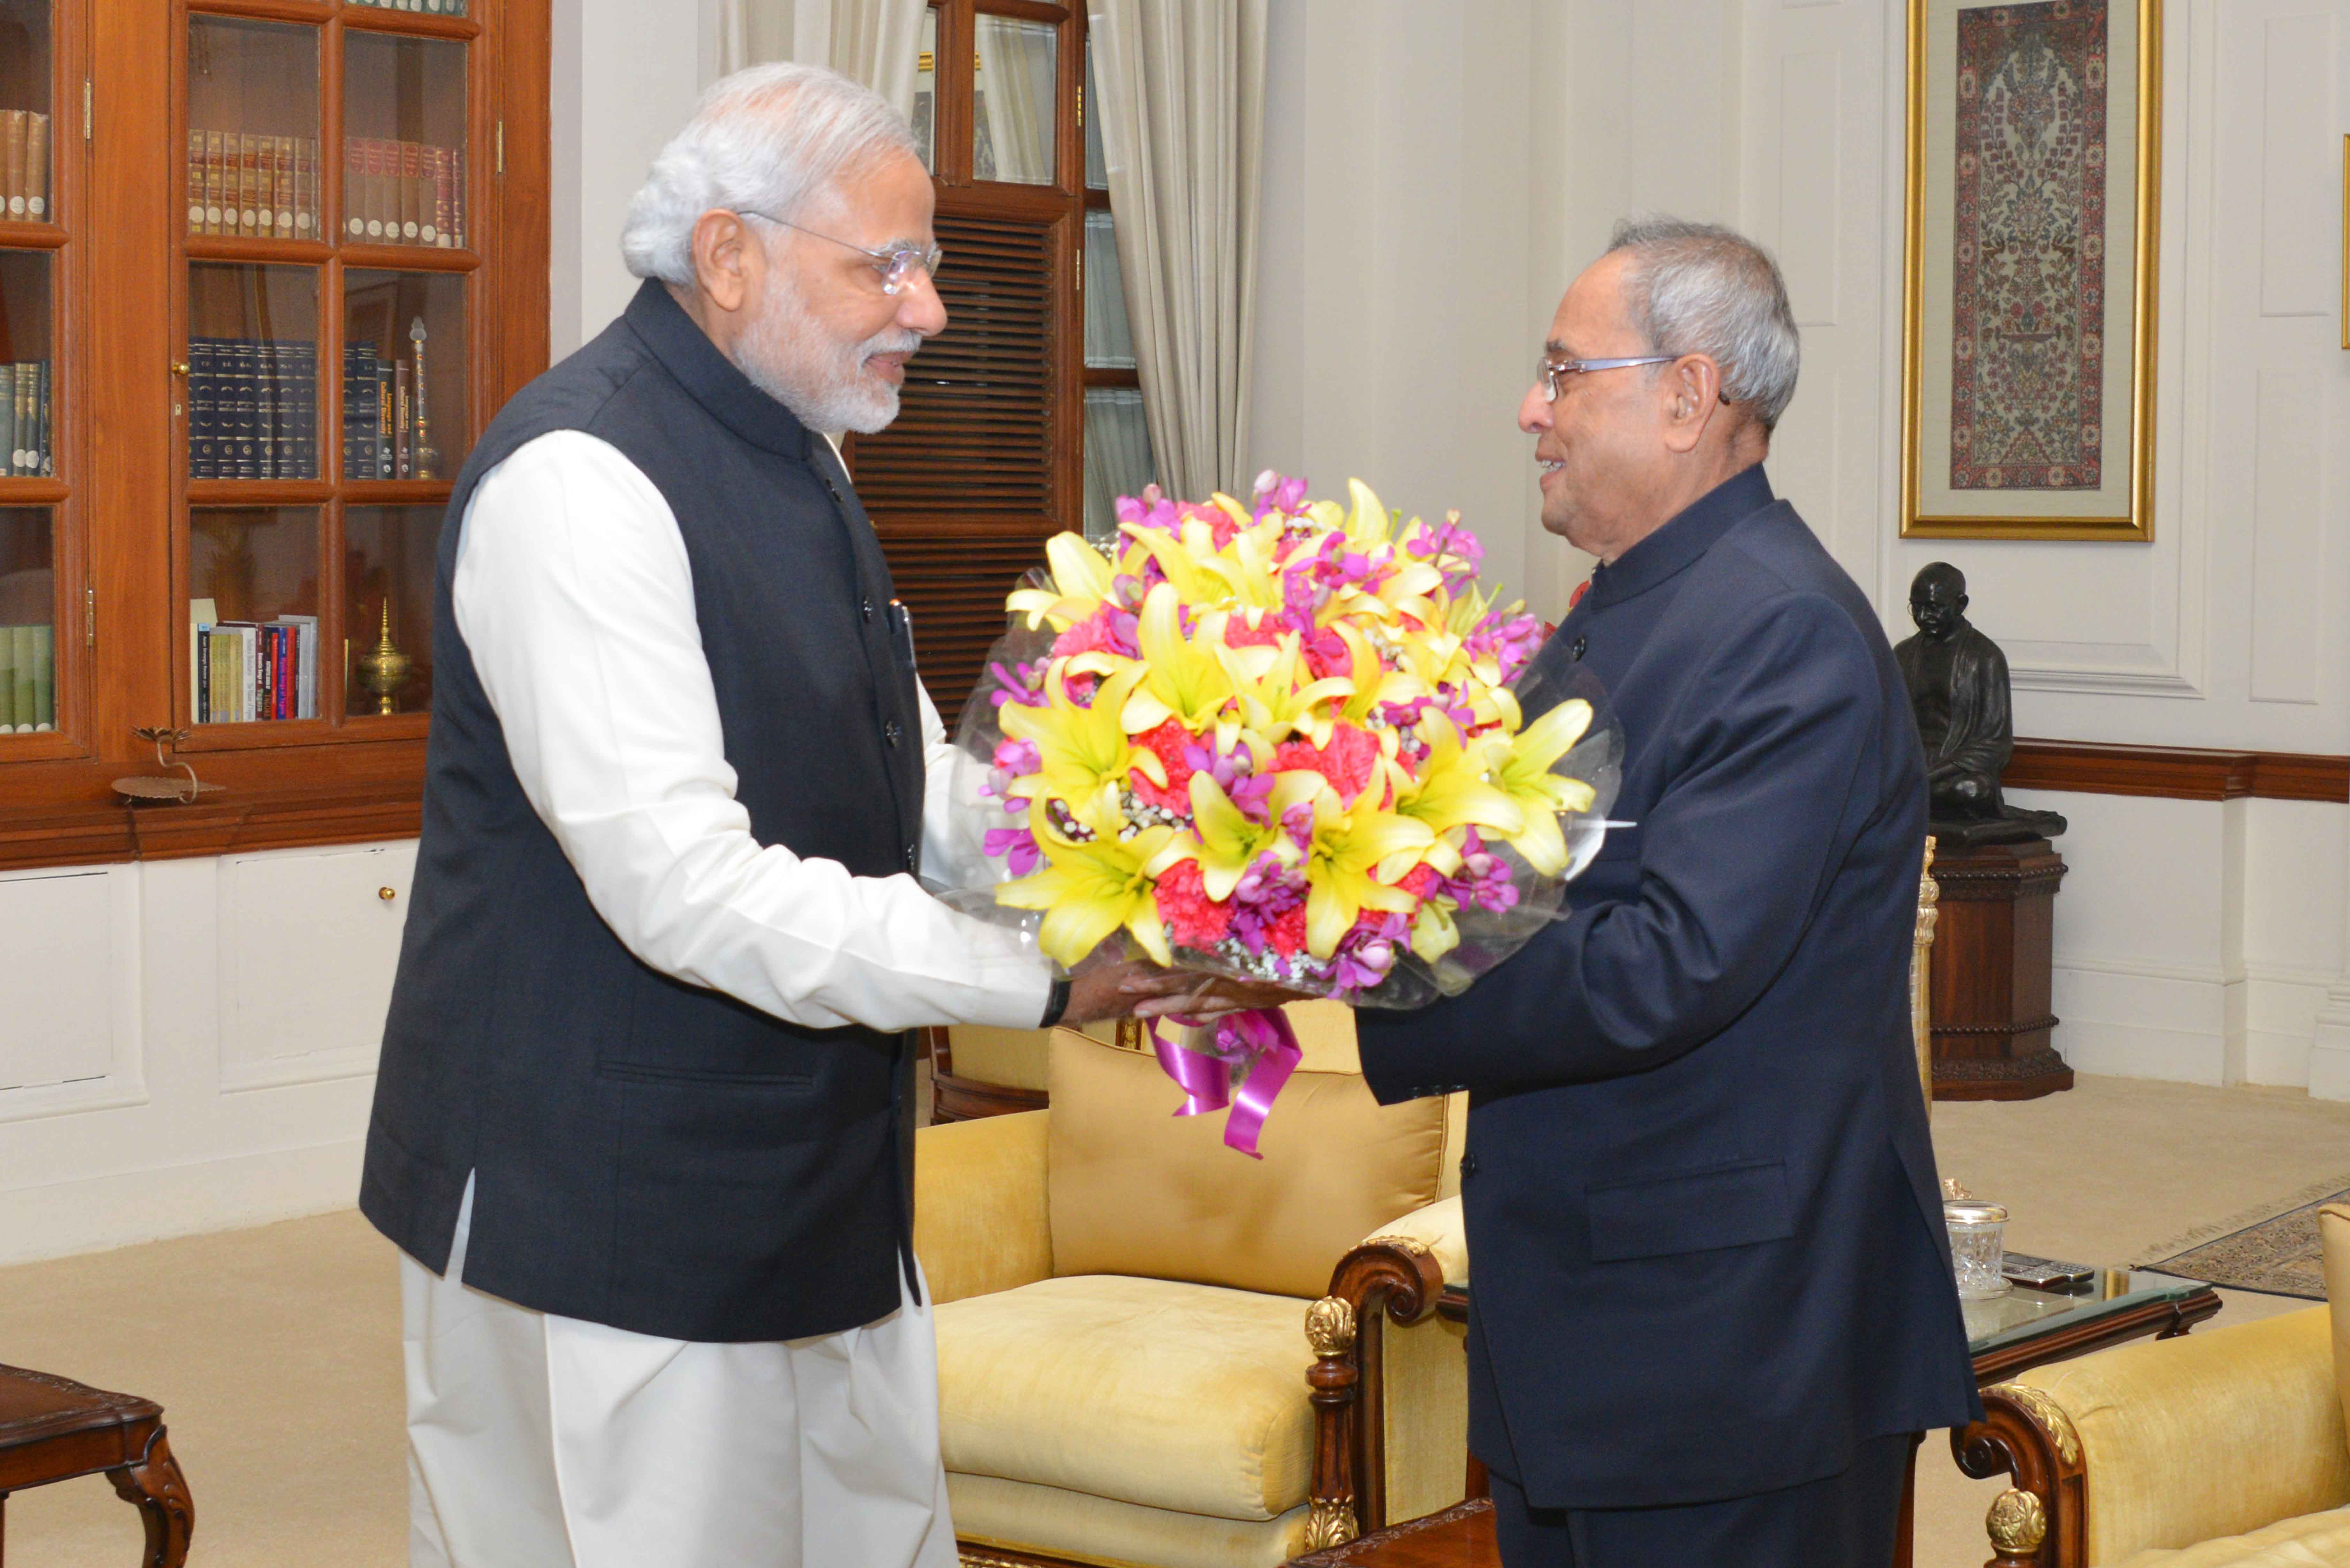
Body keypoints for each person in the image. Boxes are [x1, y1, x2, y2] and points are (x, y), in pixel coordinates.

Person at [360, 64, 1202, 1568]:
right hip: (613, 1218)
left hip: (825, 1188)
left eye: (927, 261)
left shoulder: (803, 448)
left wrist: (1147, 872)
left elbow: (911, 781)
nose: (930, 307)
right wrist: (1036, 979)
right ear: (729, 257)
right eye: (886, 263)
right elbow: (684, 883)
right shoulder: (581, 481)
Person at [1354, 217, 1981, 1566]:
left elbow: (1669, 962)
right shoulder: (1611, 614)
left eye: (1564, 371)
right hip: (1595, 1320)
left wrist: (1380, 972)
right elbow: (1510, 884)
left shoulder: (1783, 633)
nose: (1531, 407)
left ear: (1688, 397)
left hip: (1732, 1347)